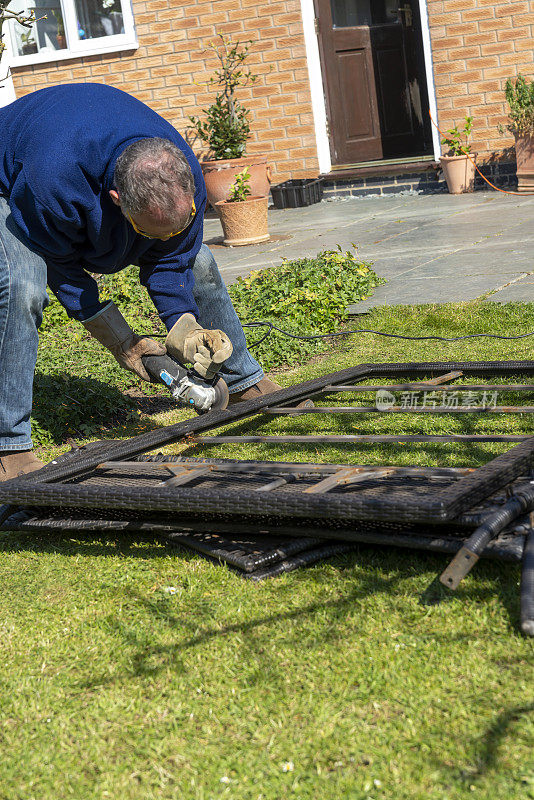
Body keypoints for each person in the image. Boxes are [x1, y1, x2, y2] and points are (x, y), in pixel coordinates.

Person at [0, 83, 282, 481]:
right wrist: (122, 342)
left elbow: (177, 253)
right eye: (151, 232)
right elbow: (62, 267)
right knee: (23, 282)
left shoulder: (182, 172)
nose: (166, 240)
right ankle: (7, 444)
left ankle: (241, 381)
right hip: (10, 180)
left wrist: (183, 324)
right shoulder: (54, 183)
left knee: (198, 259)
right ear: (117, 200)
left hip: (80, 160)